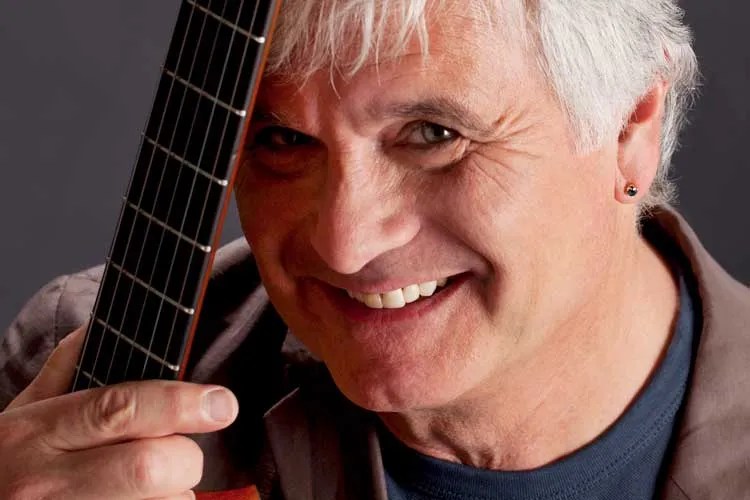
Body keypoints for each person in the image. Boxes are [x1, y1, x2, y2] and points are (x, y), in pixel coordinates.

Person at [1, 0, 748, 498]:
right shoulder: (76, 374)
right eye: (284, 140)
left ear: (629, 135)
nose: (346, 243)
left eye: (433, 136)